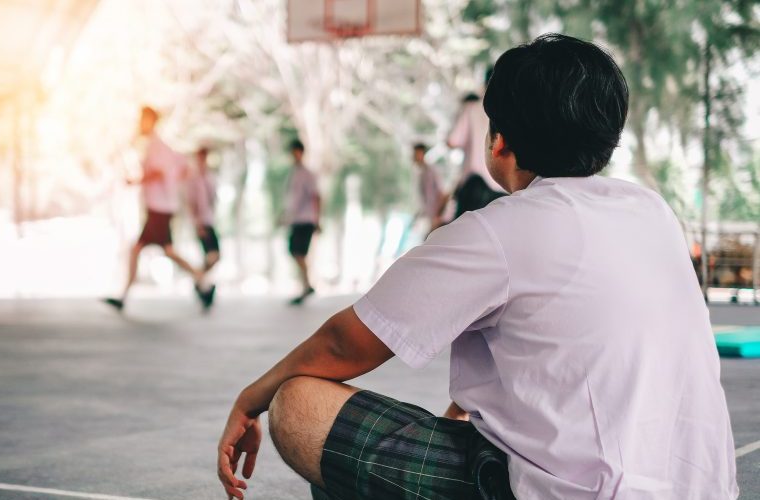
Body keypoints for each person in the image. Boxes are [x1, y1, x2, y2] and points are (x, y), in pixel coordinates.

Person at [217, 34, 737, 500]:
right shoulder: (652, 211)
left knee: (300, 403)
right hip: (703, 485)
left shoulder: (501, 229)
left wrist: (250, 398)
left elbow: (342, 344)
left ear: (500, 140)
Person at [103, 107, 214, 312]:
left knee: (142, 250)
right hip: (160, 207)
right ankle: (202, 282)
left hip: (159, 208)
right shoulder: (160, 146)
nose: (139, 124)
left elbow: (159, 172)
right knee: (163, 251)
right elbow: (182, 168)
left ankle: (124, 296)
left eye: (142, 120)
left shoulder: (157, 146)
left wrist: (136, 181)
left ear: (151, 120)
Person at [446, 90, 506, 218]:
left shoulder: (472, 108)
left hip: (475, 185)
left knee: (463, 233)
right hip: (503, 188)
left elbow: (452, 141)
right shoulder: (510, 109)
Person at [283, 139, 320, 306]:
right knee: (295, 252)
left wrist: (317, 219)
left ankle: (307, 285)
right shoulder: (294, 173)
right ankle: (306, 285)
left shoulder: (307, 174)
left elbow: (316, 196)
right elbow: (292, 200)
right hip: (296, 220)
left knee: (299, 253)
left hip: (306, 219)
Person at [186, 146, 221, 309]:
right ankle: (200, 280)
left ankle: (199, 280)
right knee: (213, 255)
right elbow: (192, 204)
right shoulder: (193, 179)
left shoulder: (210, 176)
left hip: (210, 220)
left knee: (213, 256)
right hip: (202, 222)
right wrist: (197, 223)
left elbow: (213, 199)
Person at [412, 142, 444, 233]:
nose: (413, 157)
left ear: (422, 153)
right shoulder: (420, 173)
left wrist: (437, 216)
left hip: (435, 217)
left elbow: (441, 193)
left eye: (415, 154)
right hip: (428, 217)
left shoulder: (432, 171)